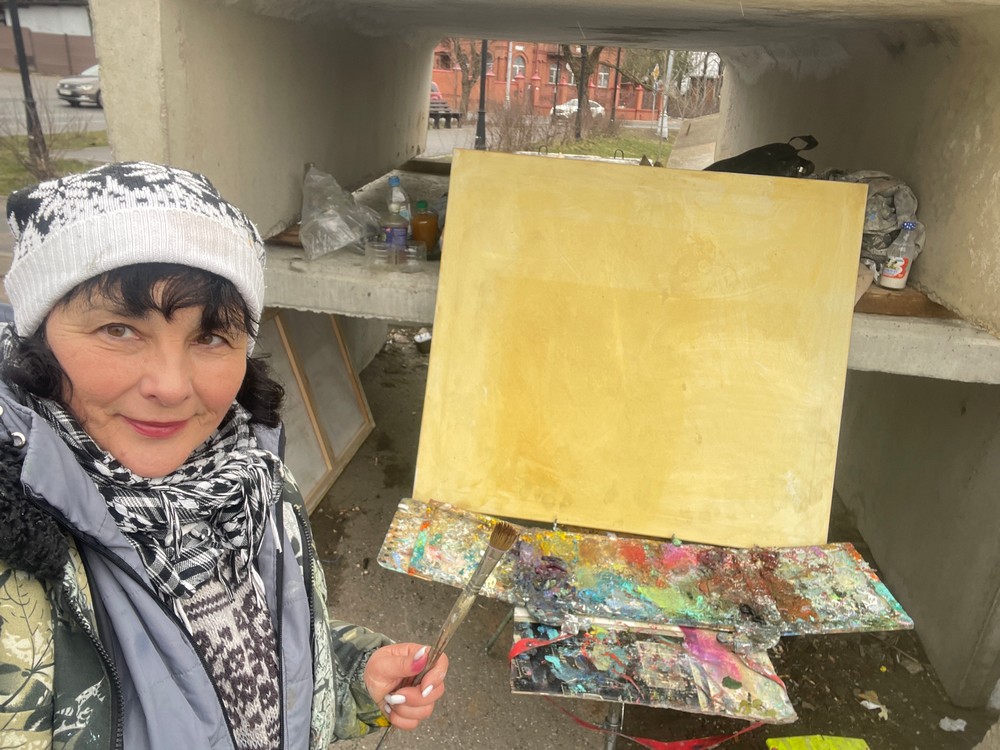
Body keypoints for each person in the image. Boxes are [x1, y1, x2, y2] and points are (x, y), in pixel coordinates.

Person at [0, 162, 447, 749]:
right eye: (119, 330)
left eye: (210, 337)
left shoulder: (251, 480)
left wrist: (350, 674)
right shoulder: (18, 569)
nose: (170, 386)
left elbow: (249, 653)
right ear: (39, 336)